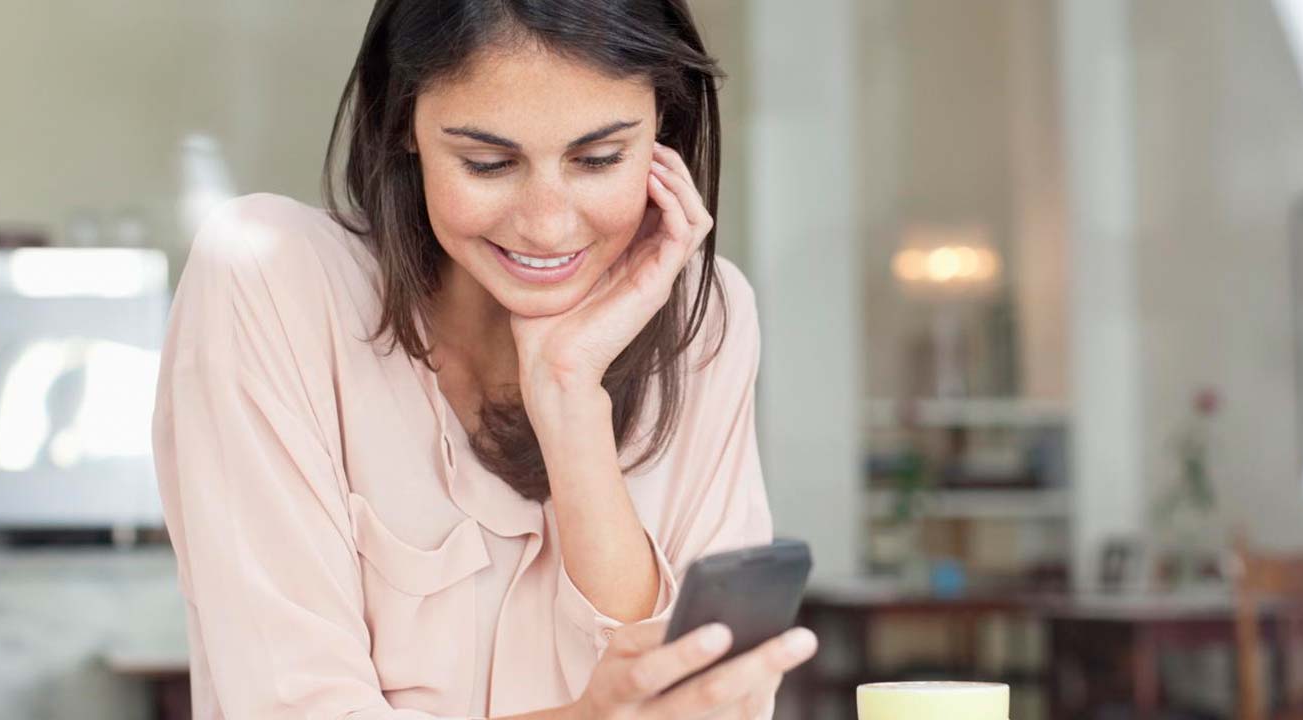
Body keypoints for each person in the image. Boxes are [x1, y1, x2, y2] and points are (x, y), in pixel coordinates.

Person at [150, 1, 813, 717]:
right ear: (403, 123)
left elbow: (712, 701)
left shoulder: (700, 319)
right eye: (488, 163)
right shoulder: (270, 278)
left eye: (599, 159)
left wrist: (568, 398)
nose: (548, 225)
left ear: (664, 133)